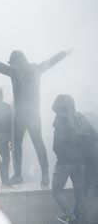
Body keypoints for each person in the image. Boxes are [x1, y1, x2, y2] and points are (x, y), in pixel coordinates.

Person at [0, 49, 73, 186]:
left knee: (17, 145)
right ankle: (45, 175)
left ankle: (18, 175)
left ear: (13, 61)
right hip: (34, 112)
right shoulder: (36, 68)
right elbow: (50, 62)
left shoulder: (14, 70)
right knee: (38, 142)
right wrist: (63, 54)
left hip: (20, 113)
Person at [51, 94, 95, 224]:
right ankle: (83, 220)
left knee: (57, 190)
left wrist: (60, 155)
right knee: (79, 194)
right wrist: (84, 155)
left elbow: (57, 143)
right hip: (80, 163)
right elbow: (94, 136)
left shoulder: (60, 118)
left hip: (64, 162)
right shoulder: (81, 117)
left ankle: (71, 218)